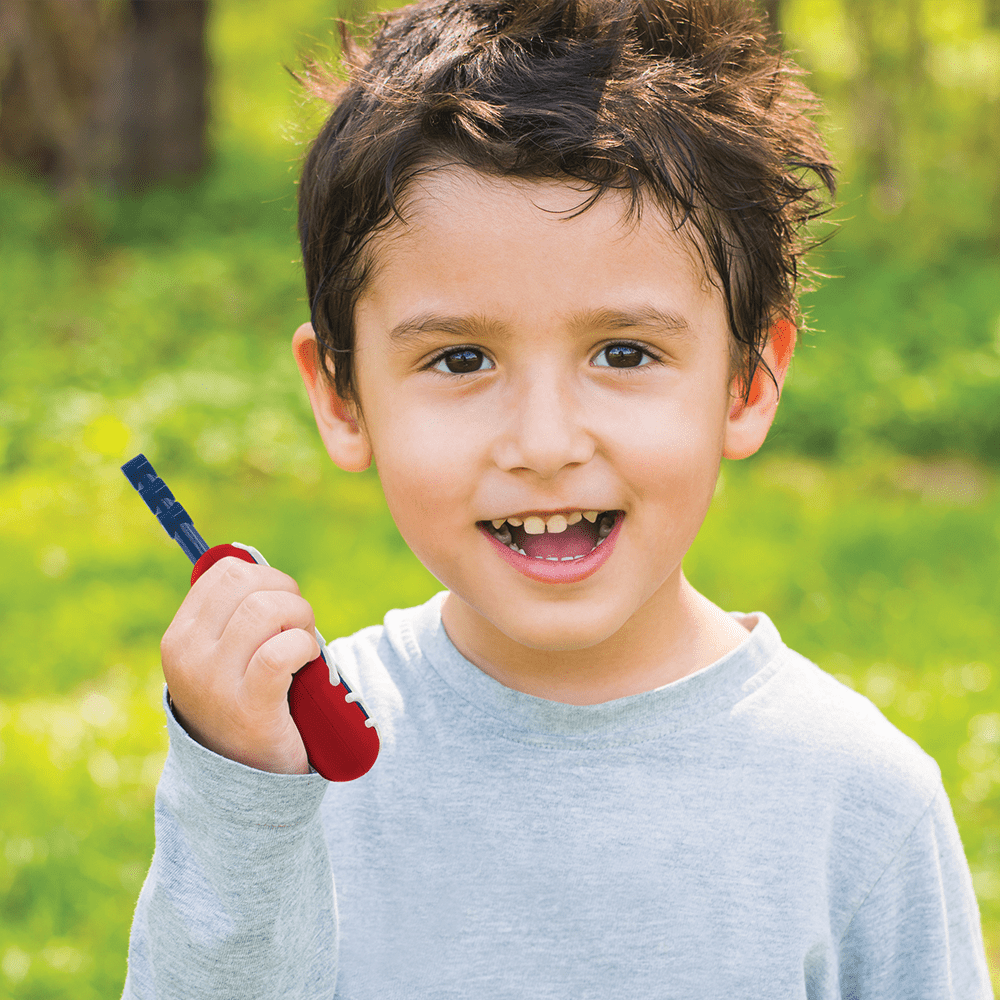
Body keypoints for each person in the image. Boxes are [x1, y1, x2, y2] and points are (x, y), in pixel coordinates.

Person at [121, 1, 992, 997]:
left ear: (748, 382)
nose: (543, 444)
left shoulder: (860, 800)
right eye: (460, 358)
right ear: (341, 395)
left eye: (623, 353)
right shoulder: (282, 763)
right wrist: (238, 795)